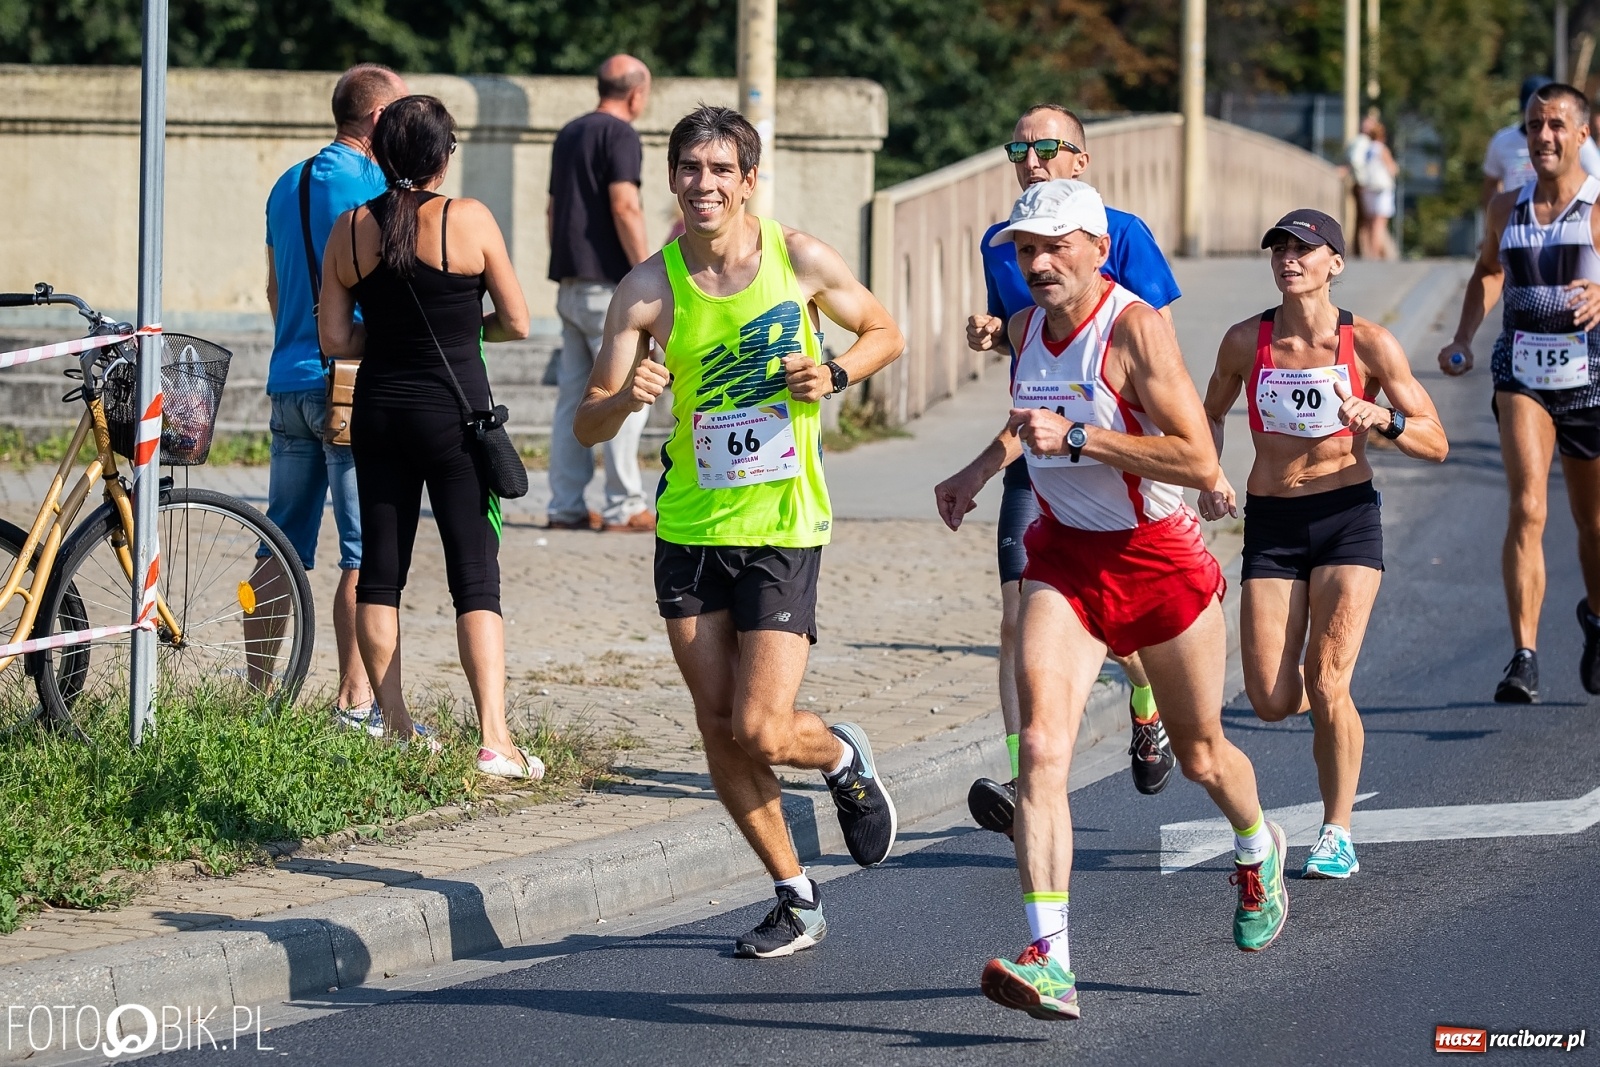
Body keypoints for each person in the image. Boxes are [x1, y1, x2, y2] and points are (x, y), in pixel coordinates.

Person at [574, 106, 904, 958]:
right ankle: (795, 894)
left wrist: (833, 372)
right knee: (718, 723)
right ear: (671, 178)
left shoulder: (798, 259)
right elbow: (585, 423)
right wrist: (626, 398)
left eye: (721, 170)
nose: (704, 184)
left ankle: (840, 758)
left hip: (783, 522)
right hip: (689, 526)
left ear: (749, 181)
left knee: (760, 726)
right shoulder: (646, 290)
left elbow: (885, 332)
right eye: (690, 168)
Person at [978, 180, 1286, 1023]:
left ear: (1097, 248)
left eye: (1054, 246)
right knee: (1041, 748)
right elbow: (1030, 417)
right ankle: (1052, 960)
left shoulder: (1136, 329)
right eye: (1025, 249)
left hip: (1157, 560)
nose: (1037, 263)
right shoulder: (1023, 329)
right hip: (1066, 560)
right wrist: (973, 472)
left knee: (1202, 755)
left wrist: (1080, 437)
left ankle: (1256, 845)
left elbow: (1196, 457)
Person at [933, 104, 1181, 839]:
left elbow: (1156, 352)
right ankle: (1023, 778)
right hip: (1034, 450)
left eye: (1047, 147)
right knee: (1016, 616)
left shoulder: (1122, 234)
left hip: (1109, 456)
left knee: (1116, 624)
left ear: (1081, 159)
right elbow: (1024, 343)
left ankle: (1147, 706)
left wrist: (1188, 457)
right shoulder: (1000, 243)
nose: (1032, 160)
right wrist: (991, 334)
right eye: (1019, 150)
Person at [1201, 209, 1447, 879]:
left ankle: (1337, 830)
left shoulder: (1369, 343)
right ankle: (1317, 698)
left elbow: (1435, 440)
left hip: (1346, 518)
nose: (1289, 259)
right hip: (1272, 524)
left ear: (1334, 262)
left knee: (1330, 680)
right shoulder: (1244, 341)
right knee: (1270, 699)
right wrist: (1209, 475)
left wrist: (1383, 418)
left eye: (1304, 249)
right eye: (1279, 249)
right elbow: (1208, 415)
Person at [319, 95, 543, 779]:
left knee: (380, 570)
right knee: (474, 576)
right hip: (455, 414)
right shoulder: (467, 218)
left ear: (382, 153)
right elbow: (517, 321)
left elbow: (336, 339)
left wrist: (390, 339)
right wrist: (464, 331)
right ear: (443, 156)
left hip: (379, 411)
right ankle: (495, 739)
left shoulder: (349, 228)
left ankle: (394, 724)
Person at [1440, 81, 1600, 703]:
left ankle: (1595, 618)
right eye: (1534, 125)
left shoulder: (1596, 207)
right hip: (1522, 371)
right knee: (1528, 506)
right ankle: (1524, 656)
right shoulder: (1506, 208)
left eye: (1556, 125)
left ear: (1583, 133)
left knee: (1592, 523)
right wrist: (1463, 338)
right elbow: (1488, 271)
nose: (1544, 137)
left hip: (1589, 377)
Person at [257, 64, 406, 723]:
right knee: (363, 549)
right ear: (379, 119)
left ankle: (258, 694)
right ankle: (356, 699)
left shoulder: (285, 183)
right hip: (349, 384)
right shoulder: (375, 186)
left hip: (289, 378)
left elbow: (273, 287)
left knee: (277, 543)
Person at [546, 55, 656, 533]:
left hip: (570, 283)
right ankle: (623, 505)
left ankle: (564, 506)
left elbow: (553, 210)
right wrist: (649, 273)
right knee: (625, 394)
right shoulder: (621, 135)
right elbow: (625, 205)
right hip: (611, 288)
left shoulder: (570, 132)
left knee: (573, 399)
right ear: (636, 93)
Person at [1483, 75, 1600, 209]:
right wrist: (1500, 212)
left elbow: (1596, 176)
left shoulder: (1574, 139)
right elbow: (1490, 184)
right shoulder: (1502, 141)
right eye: (1534, 122)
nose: (1544, 137)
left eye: (1556, 125)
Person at [1346, 112, 1399, 260]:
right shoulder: (1381, 149)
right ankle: (1374, 254)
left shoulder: (1366, 148)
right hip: (1381, 189)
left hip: (1367, 187)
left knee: (1369, 223)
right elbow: (1392, 169)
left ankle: (1369, 251)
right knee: (1379, 223)